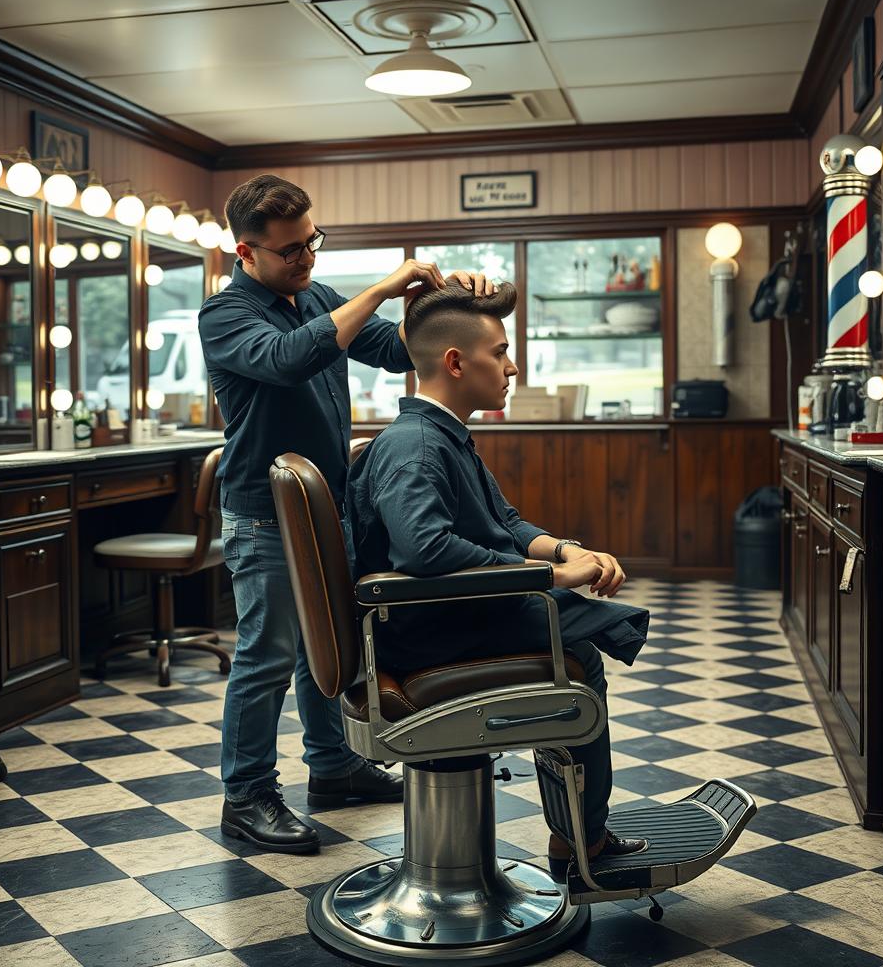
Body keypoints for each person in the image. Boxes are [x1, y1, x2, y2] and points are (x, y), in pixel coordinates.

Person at [198, 174, 492, 855]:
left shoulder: (316, 296)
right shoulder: (227, 313)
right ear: (247, 251)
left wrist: (442, 305)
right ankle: (246, 796)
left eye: (312, 242)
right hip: (265, 514)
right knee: (267, 656)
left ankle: (332, 768)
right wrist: (382, 288)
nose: (306, 259)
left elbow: (394, 352)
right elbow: (287, 359)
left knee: (321, 650)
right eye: (291, 251)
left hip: (325, 509)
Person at [348, 281, 650, 873]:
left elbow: (505, 522)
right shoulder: (415, 446)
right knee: (580, 655)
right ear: (456, 362)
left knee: (581, 634)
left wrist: (567, 550)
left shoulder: (441, 435)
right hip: (427, 631)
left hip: (448, 616)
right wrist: (554, 578)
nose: (512, 368)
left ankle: (576, 833)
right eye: (501, 353)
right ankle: (581, 841)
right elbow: (428, 552)